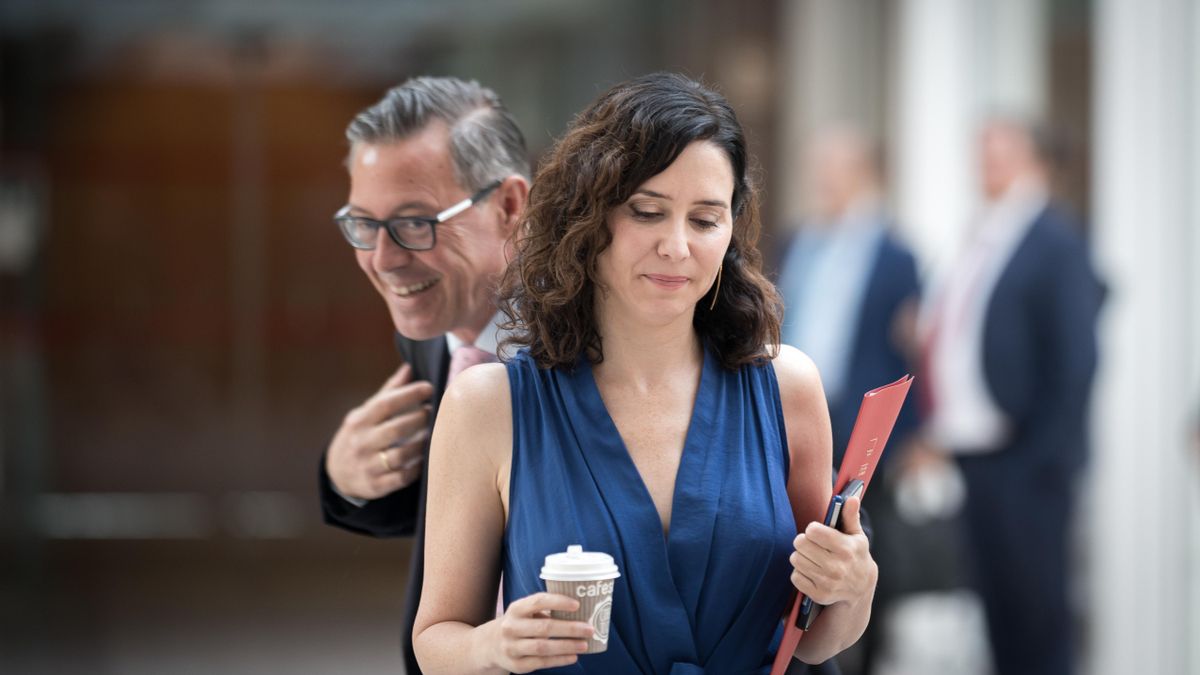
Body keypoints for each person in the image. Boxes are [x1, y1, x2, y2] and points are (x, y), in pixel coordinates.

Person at [412, 72, 878, 674]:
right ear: (587, 216)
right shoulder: (489, 404)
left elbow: (811, 637)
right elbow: (435, 639)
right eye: (648, 212)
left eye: (705, 220)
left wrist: (855, 584)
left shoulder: (787, 387)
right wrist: (493, 645)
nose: (677, 246)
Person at [318, 76, 531, 675]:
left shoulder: (607, 343)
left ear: (509, 207)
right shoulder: (433, 332)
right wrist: (346, 476)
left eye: (415, 223)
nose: (384, 260)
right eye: (363, 224)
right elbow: (456, 511)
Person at [916, 117, 1103, 675]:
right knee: (997, 608)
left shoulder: (1054, 239)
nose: (986, 163)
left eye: (1000, 152)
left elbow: (1075, 361)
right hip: (977, 454)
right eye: (982, 152)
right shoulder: (985, 233)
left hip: (1027, 460)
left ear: (1037, 159)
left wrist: (1043, 458)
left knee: (1038, 613)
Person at [776, 126, 921, 675]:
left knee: (863, 539)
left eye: (835, 167)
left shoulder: (895, 253)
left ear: (863, 171)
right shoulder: (799, 241)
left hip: (861, 419)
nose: (824, 179)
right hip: (797, 412)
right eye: (818, 167)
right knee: (802, 537)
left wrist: (911, 432)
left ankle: (866, 660)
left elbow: (908, 350)